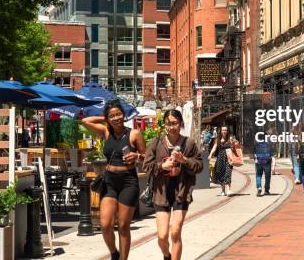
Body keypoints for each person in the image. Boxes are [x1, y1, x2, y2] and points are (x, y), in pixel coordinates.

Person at [80, 100, 146, 260]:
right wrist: (105, 119)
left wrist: (137, 156)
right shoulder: (106, 132)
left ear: (124, 115)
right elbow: (85, 121)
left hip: (128, 182)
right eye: (112, 115)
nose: (117, 118)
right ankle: (114, 254)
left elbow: (147, 158)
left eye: (119, 114)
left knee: (123, 226)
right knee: (105, 224)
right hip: (109, 182)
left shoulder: (134, 134)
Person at [143, 110, 203, 260]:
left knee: (175, 232)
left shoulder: (189, 143)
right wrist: (163, 166)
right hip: (161, 193)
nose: (171, 127)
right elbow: (146, 167)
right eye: (168, 123)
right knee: (162, 236)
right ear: (164, 125)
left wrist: (184, 160)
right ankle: (167, 256)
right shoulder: (156, 143)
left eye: (175, 123)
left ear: (181, 123)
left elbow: (200, 166)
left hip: (181, 192)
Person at [208, 125, 235, 196]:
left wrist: (234, 144)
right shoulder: (218, 139)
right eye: (223, 130)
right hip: (220, 158)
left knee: (228, 173)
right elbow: (214, 147)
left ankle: (229, 190)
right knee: (221, 173)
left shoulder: (230, 138)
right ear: (221, 131)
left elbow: (234, 147)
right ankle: (223, 190)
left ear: (227, 131)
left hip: (228, 158)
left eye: (225, 130)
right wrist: (210, 154)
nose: (224, 131)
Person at [253, 127, 273, 196]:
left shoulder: (256, 142)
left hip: (258, 161)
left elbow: (254, 151)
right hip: (267, 161)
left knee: (258, 175)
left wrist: (255, 158)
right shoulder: (268, 142)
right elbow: (271, 151)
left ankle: (259, 187)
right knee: (267, 176)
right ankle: (266, 190)